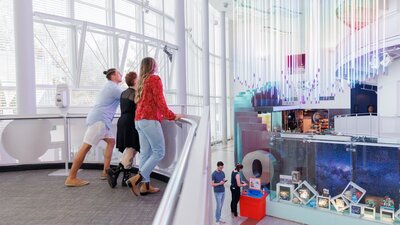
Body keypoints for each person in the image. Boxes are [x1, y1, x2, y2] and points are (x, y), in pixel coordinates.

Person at [126, 57, 181, 196]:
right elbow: (160, 102)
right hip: (149, 120)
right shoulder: (154, 79)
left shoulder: (141, 81)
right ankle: (137, 178)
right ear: (152, 66)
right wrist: (172, 116)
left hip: (139, 120)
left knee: (145, 153)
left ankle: (145, 186)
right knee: (159, 152)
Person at [65, 68, 122, 187]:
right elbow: (127, 96)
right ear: (112, 76)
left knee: (111, 142)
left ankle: (105, 171)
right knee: (85, 148)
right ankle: (71, 177)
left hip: (101, 121)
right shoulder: (113, 87)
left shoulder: (109, 86)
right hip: (99, 121)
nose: (121, 75)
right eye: (118, 73)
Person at [106, 72, 140, 188]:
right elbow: (139, 109)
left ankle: (124, 176)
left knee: (130, 148)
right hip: (131, 122)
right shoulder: (135, 94)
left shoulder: (123, 93)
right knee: (133, 146)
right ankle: (116, 171)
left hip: (123, 121)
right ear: (135, 81)